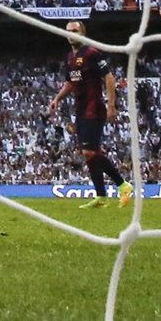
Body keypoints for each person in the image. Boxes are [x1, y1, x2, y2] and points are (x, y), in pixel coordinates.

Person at [49, 21, 133, 209]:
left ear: (83, 33)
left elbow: (109, 77)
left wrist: (111, 105)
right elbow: (69, 83)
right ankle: (101, 196)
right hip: (80, 109)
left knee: (89, 151)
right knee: (91, 154)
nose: (71, 34)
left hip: (93, 108)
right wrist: (57, 99)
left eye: (75, 30)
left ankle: (123, 185)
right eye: (68, 31)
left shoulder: (92, 54)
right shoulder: (70, 57)